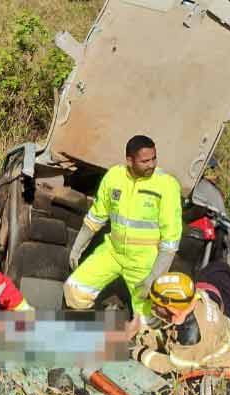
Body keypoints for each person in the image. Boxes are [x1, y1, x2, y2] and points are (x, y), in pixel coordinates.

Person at [64, 135, 182, 326]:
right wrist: (77, 247)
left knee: (148, 321)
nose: (151, 164)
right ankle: (87, 340)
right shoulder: (114, 177)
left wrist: (154, 278)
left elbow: (170, 243)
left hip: (145, 262)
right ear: (129, 160)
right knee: (75, 289)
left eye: (154, 158)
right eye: (145, 161)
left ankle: (139, 351)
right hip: (112, 252)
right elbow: (96, 217)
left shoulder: (167, 186)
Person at [131, 272, 230, 376]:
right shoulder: (193, 296)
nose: (153, 306)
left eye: (157, 305)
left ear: (173, 310)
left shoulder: (192, 337)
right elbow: (169, 331)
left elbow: (173, 367)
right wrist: (145, 339)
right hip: (223, 350)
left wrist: (137, 352)